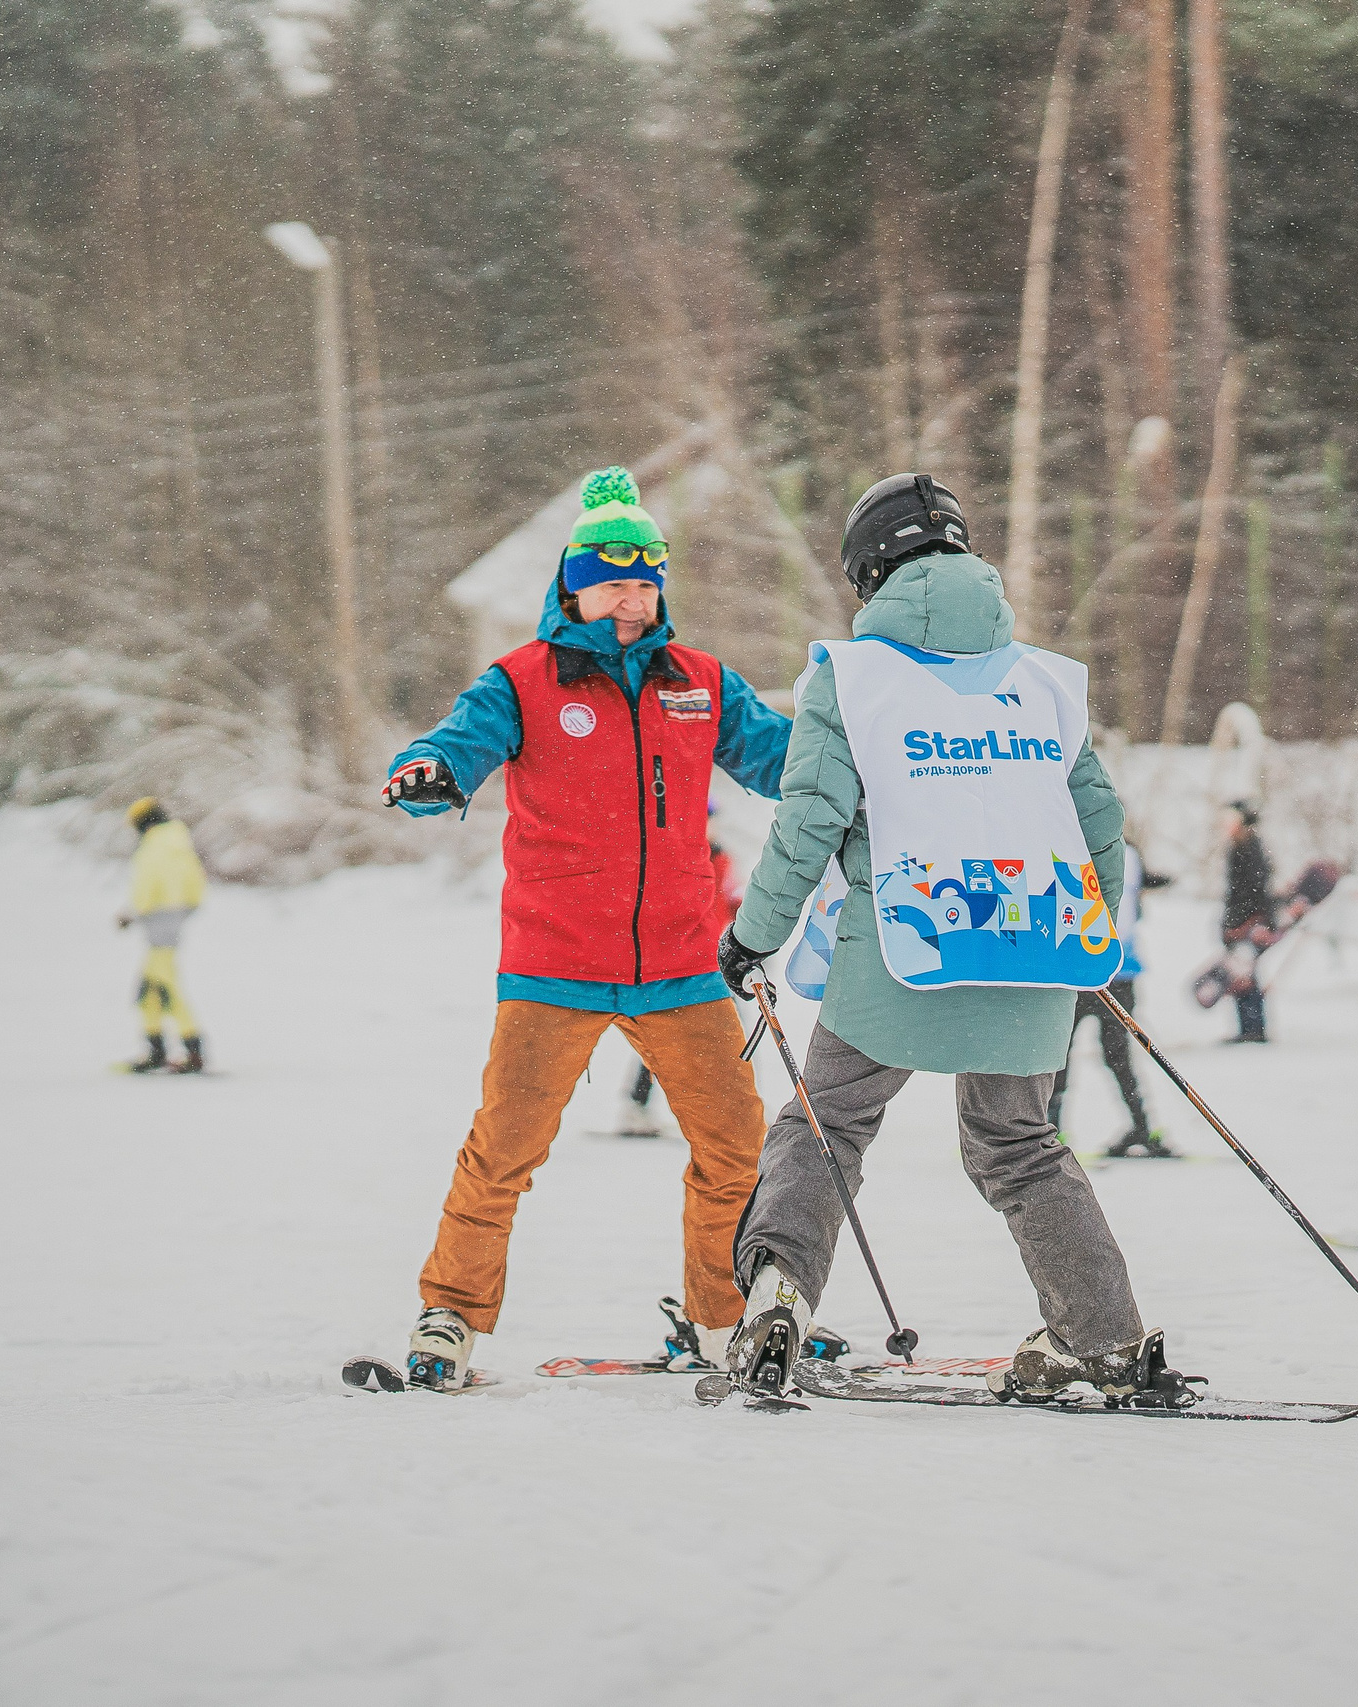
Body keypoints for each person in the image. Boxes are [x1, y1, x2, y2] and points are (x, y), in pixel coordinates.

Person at [714, 471, 1200, 1407]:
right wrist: (1089, 938)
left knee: (828, 1123)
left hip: (905, 950)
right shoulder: (1044, 680)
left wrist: (752, 937)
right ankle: (1101, 1336)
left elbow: (809, 822)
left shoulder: (851, 680)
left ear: (869, 571)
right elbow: (1101, 823)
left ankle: (776, 1304)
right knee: (1020, 1142)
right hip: (1033, 943)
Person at [380, 466, 793, 1390]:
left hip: (682, 961)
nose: (632, 594)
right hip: (554, 962)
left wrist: (849, 761)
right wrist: (429, 769)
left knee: (736, 1148)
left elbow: (777, 758)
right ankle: (449, 1316)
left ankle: (722, 1317)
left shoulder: (702, 683)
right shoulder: (522, 681)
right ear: (571, 583)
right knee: (503, 1152)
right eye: (612, 579)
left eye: (646, 580)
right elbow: (457, 741)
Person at [613, 803, 746, 1138]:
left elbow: (736, 902)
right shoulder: (669, 860)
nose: (706, 828)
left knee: (733, 1036)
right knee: (662, 1035)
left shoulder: (722, 860)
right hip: (676, 964)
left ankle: (737, 1108)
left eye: (710, 821)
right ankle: (636, 1104)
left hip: (717, 964)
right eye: (699, 821)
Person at [1049, 839, 1170, 1157]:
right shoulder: (1127, 852)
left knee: (1061, 1055)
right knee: (1112, 1055)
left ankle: (1051, 1129)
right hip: (1113, 971)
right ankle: (1141, 1126)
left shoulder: (1085, 850)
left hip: (1093, 971)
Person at [117, 798, 207, 1074]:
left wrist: (133, 912)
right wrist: (185, 907)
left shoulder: (153, 847)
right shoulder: (180, 841)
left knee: (164, 984)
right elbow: (196, 882)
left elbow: (146, 883)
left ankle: (192, 1048)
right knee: (152, 985)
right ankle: (156, 1045)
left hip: (157, 920)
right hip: (176, 917)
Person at [1220, 801, 1274, 1043]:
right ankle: (1249, 1028)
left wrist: (1243, 925)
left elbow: (1254, 892)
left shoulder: (1250, 849)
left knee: (1246, 975)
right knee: (1240, 974)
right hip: (1241, 922)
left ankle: (1253, 1030)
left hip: (1248, 924)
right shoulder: (1240, 847)